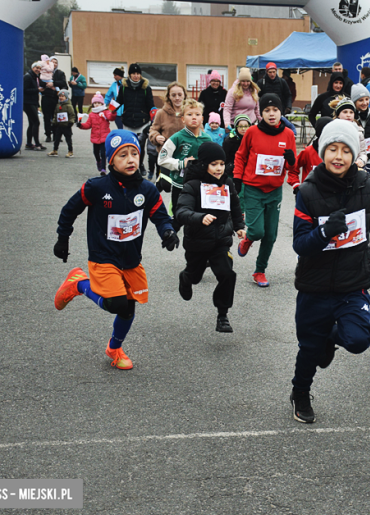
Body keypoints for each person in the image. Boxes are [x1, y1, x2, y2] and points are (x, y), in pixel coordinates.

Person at [289, 119, 370, 423]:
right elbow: (300, 244)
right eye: (332, 149)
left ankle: (329, 338)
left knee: (359, 339)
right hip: (315, 285)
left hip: (353, 282)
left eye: (345, 150)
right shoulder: (308, 192)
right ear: (322, 152)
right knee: (309, 349)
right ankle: (300, 392)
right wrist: (324, 233)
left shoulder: (366, 185)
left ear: (354, 154)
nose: (338, 156)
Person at [53, 130, 180, 370]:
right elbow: (69, 210)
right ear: (111, 160)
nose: (131, 159)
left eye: (134, 153)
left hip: (130, 258)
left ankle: (115, 348)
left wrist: (167, 232)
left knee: (129, 307)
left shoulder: (147, 190)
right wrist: (63, 238)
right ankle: (79, 283)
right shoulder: (96, 187)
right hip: (103, 256)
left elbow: (160, 217)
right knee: (116, 303)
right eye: (123, 155)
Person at [174, 142, 245, 333]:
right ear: (205, 164)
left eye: (222, 163)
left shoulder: (227, 183)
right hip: (197, 241)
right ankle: (186, 278)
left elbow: (236, 207)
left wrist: (239, 227)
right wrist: (199, 217)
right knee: (195, 276)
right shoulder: (193, 185)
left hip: (221, 240)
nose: (219, 168)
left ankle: (223, 315)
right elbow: (181, 211)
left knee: (227, 274)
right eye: (214, 164)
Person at [233, 94, 298, 287]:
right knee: (258, 230)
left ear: (281, 112)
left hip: (275, 191)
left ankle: (260, 271)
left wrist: (291, 160)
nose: (271, 114)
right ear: (261, 113)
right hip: (252, 189)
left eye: (275, 110)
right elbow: (240, 156)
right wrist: (237, 178)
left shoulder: (288, 135)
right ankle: (249, 238)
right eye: (267, 110)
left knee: (271, 236)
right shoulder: (252, 132)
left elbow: (291, 167)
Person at [157, 98, 212, 221]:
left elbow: (213, 162)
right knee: (178, 217)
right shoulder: (176, 138)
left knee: (198, 218)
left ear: (202, 119)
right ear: (183, 119)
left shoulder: (207, 139)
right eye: (189, 114)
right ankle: (172, 238)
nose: (194, 117)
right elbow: (162, 159)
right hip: (179, 184)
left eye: (197, 114)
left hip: (200, 186)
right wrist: (182, 163)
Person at [116, 63, 155, 176]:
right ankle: (132, 165)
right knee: (129, 146)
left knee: (140, 147)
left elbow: (151, 105)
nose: (136, 76)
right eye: (133, 73)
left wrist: (153, 118)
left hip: (142, 122)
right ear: (129, 75)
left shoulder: (146, 88)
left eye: (138, 73)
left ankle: (140, 165)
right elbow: (119, 102)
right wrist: (109, 109)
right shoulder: (124, 87)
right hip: (128, 122)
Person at [149, 81, 187, 184]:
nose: (177, 98)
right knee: (166, 185)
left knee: (182, 186)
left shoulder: (189, 111)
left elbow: (200, 129)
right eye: (173, 95)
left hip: (185, 155)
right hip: (167, 155)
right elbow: (153, 130)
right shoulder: (161, 113)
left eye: (180, 94)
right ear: (169, 96)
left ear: (184, 95)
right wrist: (156, 137)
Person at [289, 116, 331, 193]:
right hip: (309, 195)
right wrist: (296, 185)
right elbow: (293, 168)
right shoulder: (308, 151)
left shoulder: (338, 153)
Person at [77, 91, 116, 174]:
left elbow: (111, 118)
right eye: (95, 103)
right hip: (95, 138)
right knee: (96, 153)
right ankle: (98, 161)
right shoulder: (91, 114)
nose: (97, 104)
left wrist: (113, 112)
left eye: (98, 103)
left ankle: (103, 169)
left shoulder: (106, 112)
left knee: (103, 153)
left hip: (104, 137)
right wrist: (80, 125)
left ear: (102, 104)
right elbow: (88, 125)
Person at [332, 97, 367, 169]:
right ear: (338, 114)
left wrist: (361, 161)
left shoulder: (358, 132)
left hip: (353, 168)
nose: (348, 115)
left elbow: (363, 153)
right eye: (345, 112)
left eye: (351, 112)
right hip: (336, 166)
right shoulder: (332, 130)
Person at [24, 62, 46, 151]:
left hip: (33, 102)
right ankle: (37, 143)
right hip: (27, 103)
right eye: (36, 68)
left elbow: (43, 84)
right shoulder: (28, 76)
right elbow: (24, 89)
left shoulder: (35, 77)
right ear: (32, 68)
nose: (38, 70)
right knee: (36, 122)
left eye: (40, 68)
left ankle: (29, 143)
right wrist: (37, 90)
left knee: (32, 123)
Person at [47, 89, 76, 158]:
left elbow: (72, 115)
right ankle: (55, 150)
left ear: (66, 97)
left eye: (63, 96)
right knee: (56, 139)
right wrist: (54, 122)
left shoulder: (69, 106)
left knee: (68, 139)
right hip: (59, 125)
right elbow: (55, 114)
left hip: (66, 126)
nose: (61, 97)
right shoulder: (58, 105)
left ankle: (70, 151)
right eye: (60, 96)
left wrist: (71, 122)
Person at [222, 114, 251, 180]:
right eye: (240, 126)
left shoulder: (253, 139)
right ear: (236, 127)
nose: (243, 129)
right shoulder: (229, 140)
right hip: (232, 170)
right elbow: (225, 156)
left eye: (246, 126)